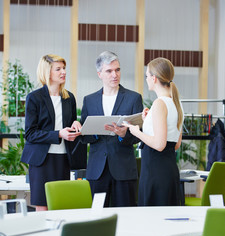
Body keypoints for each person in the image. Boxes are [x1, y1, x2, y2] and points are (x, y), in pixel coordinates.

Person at [72, 51, 143, 207]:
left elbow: (140, 135)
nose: (114, 75)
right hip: (97, 170)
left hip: (123, 170)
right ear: (99, 74)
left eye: (117, 70)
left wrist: (124, 135)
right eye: (109, 71)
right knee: (97, 216)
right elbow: (85, 137)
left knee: (126, 216)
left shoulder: (133, 98)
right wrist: (91, 131)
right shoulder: (89, 100)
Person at [21, 54, 81, 211]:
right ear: (47, 72)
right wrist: (58, 134)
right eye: (58, 69)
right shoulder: (34, 98)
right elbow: (30, 133)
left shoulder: (69, 98)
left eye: (64, 68)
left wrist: (75, 124)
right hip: (42, 160)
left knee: (61, 204)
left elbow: (69, 125)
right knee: (43, 205)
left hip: (63, 158)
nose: (63, 72)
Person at [123, 57, 184, 206]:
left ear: (154, 78)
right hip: (168, 170)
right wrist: (148, 121)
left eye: (147, 76)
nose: (146, 79)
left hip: (155, 172)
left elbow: (159, 144)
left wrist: (135, 131)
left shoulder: (159, 103)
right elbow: (175, 144)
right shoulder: (176, 103)